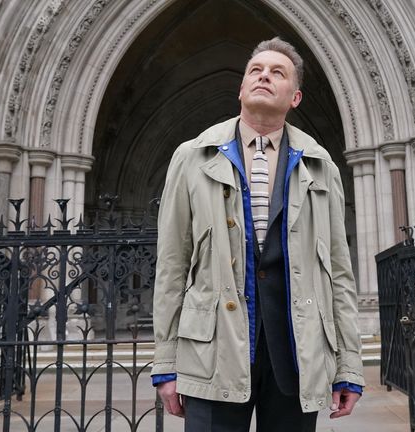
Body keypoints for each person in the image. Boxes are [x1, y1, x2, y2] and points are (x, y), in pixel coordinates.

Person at [151, 37, 364, 432]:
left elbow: (339, 272)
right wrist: (165, 363)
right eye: (256, 70)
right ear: (242, 88)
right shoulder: (193, 157)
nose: (264, 76)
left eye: (277, 72)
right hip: (211, 355)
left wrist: (348, 366)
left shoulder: (321, 166)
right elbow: (172, 265)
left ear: (295, 97)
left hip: (297, 354)